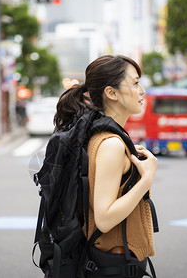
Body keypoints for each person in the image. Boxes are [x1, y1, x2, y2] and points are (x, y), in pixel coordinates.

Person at [54, 55, 157, 275]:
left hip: (111, 262)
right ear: (111, 93)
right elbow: (104, 218)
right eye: (135, 83)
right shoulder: (111, 144)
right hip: (114, 266)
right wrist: (146, 179)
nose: (142, 91)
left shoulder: (101, 135)